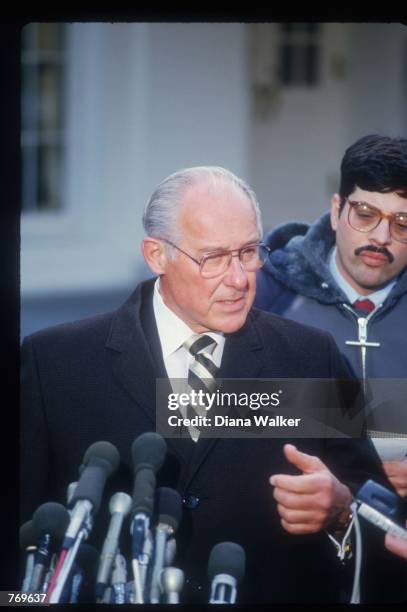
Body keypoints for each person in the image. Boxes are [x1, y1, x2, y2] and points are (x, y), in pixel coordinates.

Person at [20, 166, 399, 603]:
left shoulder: (310, 357)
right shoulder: (55, 364)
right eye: (214, 258)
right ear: (157, 255)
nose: (239, 279)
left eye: (249, 252)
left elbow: (387, 530)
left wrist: (340, 511)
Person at [255, 135, 407, 501]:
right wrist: (353, 454)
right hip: (290, 522)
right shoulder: (266, 294)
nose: (381, 237)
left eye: (402, 223)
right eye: (366, 215)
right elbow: (196, 407)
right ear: (337, 211)